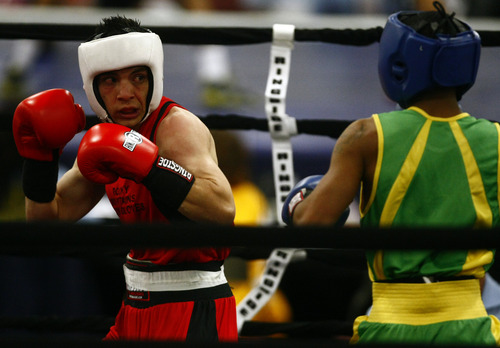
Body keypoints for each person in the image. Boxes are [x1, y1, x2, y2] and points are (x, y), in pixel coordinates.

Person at [282, 1, 500, 346]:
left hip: (392, 323)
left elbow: (311, 225)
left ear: (398, 63)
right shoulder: (496, 140)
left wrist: (303, 200)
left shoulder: (366, 136)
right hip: (471, 325)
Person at [12, 16, 238, 342]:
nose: (126, 93)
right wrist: (40, 157)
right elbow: (46, 220)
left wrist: (148, 164)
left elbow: (222, 210)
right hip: (134, 304)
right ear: (93, 88)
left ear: (154, 78)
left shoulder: (176, 128)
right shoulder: (104, 141)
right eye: (110, 81)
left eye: (137, 78)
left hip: (190, 306)